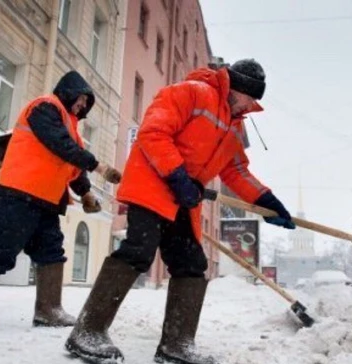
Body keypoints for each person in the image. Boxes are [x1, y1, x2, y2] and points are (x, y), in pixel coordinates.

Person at [65, 59, 295, 364]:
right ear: (237, 88)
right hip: (152, 186)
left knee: (191, 264)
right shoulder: (190, 93)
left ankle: (177, 344)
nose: (252, 105)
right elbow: (153, 133)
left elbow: (236, 170)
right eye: (250, 98)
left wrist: (267, 200)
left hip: (183, 199)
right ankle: (87, 331)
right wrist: (177, 176)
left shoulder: (235, 125)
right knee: (138, 251)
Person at [0, 71, 121, 332]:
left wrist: (85, 193)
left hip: (48, 199)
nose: (83, 106)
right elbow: (59, 145)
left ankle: (49, 310)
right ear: (69, 91)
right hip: (21, 191)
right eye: (81, 99)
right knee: (3, 250)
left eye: (86, 103)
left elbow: (73, 166)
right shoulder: (45, 107)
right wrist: (99, 166)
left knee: (51, 252)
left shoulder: (72, 129)